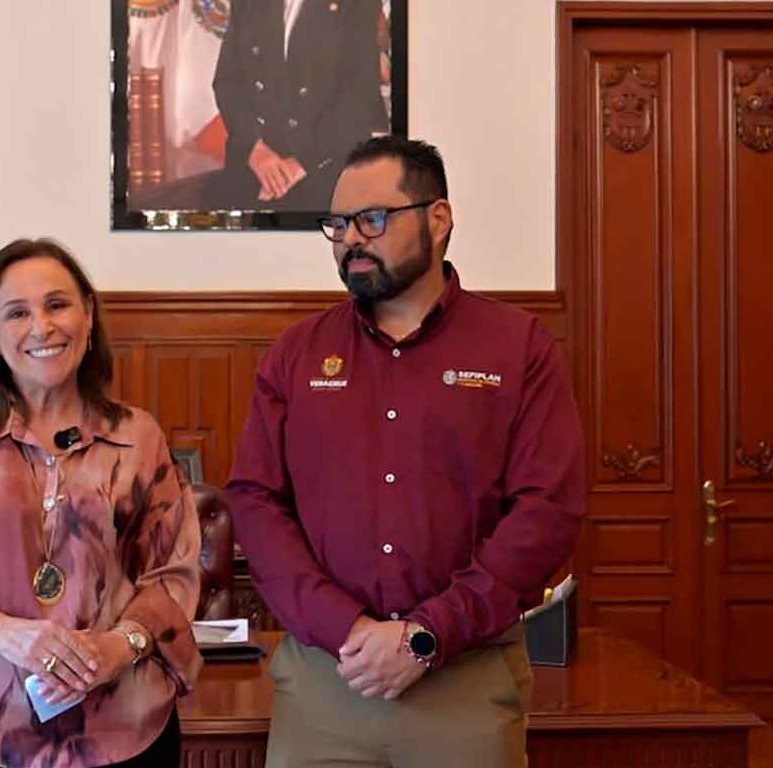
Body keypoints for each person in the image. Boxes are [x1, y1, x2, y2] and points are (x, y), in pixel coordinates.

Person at [225, 136, 585, 768]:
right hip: (327, 681)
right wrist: (346, 627)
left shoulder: (518, 348)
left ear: (438, 219)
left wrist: (428, 634)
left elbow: (546, 510)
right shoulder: (297, 355)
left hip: (465, 682)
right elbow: (255, 501)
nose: (350, 241)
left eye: (372, 219)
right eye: (337, 225)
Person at [0, 239, 202, 768]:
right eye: (17, 313)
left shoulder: (138, 437)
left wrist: (119, 646)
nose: (42, 327)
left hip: (119, 731)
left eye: (57, 305)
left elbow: (173, 573)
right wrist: (3, 633)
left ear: (88, 316)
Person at [206, 0, 388, 211]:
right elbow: (227, 82)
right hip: (254, 168)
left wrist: (301, 163)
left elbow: (360, 95)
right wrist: (254, 148)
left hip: (327, 169)